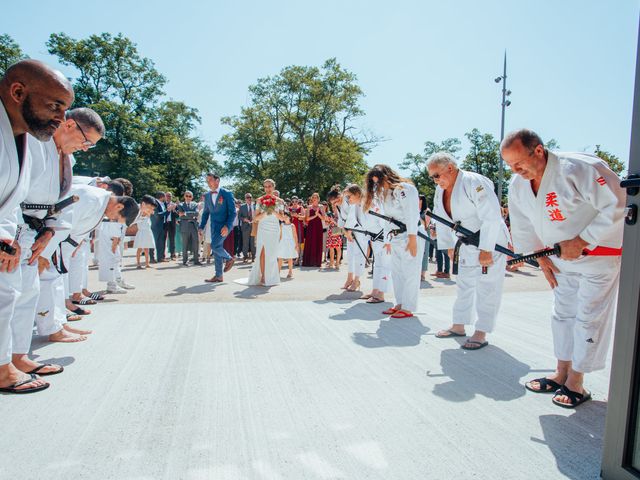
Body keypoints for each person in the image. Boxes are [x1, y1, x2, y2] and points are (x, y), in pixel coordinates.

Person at [503, 128, 625, 408]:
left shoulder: (580, 168)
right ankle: (561, 371)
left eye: (519, 162)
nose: (516, 170)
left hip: (598, 256)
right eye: (510, 165)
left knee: (588, 317)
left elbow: (618, 205)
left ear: (538, 150)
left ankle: (577, 382)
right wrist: (539, 256)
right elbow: (521, 223)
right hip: (558, 259)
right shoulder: (518, 184)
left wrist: (583, 239)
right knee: (562, 315)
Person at [0, 60, 75, 393]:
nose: (60, 117)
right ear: (18, 91)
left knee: (13, 293)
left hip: (15, 228)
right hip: (17, 228)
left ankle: (12, 359)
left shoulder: (25, 140)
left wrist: (7, 235)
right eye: (55, 105)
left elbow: (9, 200)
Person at [36, 185, 139, 344]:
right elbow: (59, 222)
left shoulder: (100, 204)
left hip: (61, 247)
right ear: (119, 206)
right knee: (48, 284)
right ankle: (53, 329)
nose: (113, 219)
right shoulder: (92, 199)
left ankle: (59, 325)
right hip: (50, 244)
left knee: (56, 284)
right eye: (117, 218)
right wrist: (43, 255)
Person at [428, 152, 510, 350]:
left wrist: (486, 249)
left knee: (487, 287)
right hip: (465, 243)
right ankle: (459, 325)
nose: (435, 180)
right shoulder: (441, 191)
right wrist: (448, 245)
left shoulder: (473, 181)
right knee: (464, 285)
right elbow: (441, 219)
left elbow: (491, 215)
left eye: (436, 175)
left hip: (490, 241)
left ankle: (481, 331)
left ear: (450, 167)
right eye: (432, 177)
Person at [364, 165, 424, 319]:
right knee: (397, 272)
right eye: (375, 183)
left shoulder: (404, 188)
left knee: (410, 271)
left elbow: (412, 214)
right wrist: (387, 239)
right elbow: (388, 218)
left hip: (411, 234)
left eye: (380, 181)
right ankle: (400, 303)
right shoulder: (386, 193)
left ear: (387, 176)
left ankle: (408, 307)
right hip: (395, 236)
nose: (378, 185)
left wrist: (412, 238)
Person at [199, 173, 236, 283]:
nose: (208, 183)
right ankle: (219, 276)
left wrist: (227, 226)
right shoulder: (207, 195)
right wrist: (201, 227)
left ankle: (229, 258)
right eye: (207, 181)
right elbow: (205, 213)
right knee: (216, 250)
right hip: (213, 226)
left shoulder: (227, 193)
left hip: (224, 226)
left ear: (217, 180)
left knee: (214, 246)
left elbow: (233, 212)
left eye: (210, 180)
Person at [247, 179, 285, 286]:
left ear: (273, 187)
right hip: (263, 228)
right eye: (265, 187)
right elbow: (255, 218)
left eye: (269, 186)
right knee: (262, 252)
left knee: (272, 253)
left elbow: (282, 218)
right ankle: (263, 276)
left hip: (274, 229)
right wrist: (265, 212)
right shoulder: (259, 200)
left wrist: (272, 211)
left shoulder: (280, 201)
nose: (267, 189)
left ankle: (271, 276)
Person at [177, 190, 201, 266]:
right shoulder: (180, 205)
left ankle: (196, 260)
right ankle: (185, 261)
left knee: (196, 243)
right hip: (184, 227)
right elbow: (181, 215)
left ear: (192, 197)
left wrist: (185, 213)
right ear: (184, 196)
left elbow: (196, 213)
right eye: (186, 196)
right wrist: (191, 216)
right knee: (185, 244)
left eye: (190, 196)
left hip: (193, 226)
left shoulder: (195, 204)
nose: (188, 197)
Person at [134, 195, 157, 269]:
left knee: (147, 249)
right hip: (141, 232)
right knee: (140, 248)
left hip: (148, 232)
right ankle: (138, 263)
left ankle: (147, 263)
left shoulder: (148, 214)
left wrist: (149, 212)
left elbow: (151, 212)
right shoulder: (140, 212)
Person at [302, 193, 324, 267]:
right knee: (310, 242)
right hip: (311, 226)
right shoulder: (309, 207)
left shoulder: (321, 207)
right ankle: (308, 261)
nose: (314, 199)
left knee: (318, 242)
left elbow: (323, 218)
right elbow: (307, 219)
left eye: (316, 197)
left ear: (318, 199)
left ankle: (317, 262)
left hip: (318, 226)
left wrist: (318, 214)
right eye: (313, 197)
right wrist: (315, 215)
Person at [278, 212, 299, 278]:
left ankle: (290, 272)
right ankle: (277, 272)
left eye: (286, 216)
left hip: (290, 242)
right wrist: (278, 243)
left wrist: (296, 245)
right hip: (282, 242)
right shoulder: (282, 225)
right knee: (280, 257)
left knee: (290, 258)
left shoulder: (292, 225)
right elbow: (280, 235)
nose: (284, 217)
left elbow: (295, 236)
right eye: (284, 216)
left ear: (289, 217)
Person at [150, 192, 168, 263]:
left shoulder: (163, 204)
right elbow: (157, 215)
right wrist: (167, 211)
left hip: (162, 225)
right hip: (155, 226)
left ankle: (160, 258)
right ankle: (151, 258)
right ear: (162, 196)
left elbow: (164, 214)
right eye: (165, 196)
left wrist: (168, 210)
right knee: (153, 242)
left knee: (160, 243)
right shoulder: (155, 203)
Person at [238, 193, 256, 262]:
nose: (249, 199)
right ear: (245, 199)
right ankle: (245, 256)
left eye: (250, 197)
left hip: (253, 226)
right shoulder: (242, 207)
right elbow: (239, 216)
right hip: (245, 227)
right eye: (247, 197)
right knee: (245, 242)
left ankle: (253, 256)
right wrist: (244, 219)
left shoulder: (255, 206)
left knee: (253, 242)